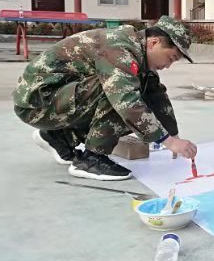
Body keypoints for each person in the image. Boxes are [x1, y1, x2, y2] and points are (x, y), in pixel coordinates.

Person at [13, 16, 197, 181]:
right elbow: (126, 101)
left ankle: (59, 137)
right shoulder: (119, 48)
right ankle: (92, 159)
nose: (168, 65)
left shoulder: (137, 52)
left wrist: (172, 135)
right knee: (121, 93)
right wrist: (169, 142)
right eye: (171, 58)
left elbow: (157, 95)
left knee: (139, 87)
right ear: (153, 43)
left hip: (56, 99)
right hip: (38, 102)